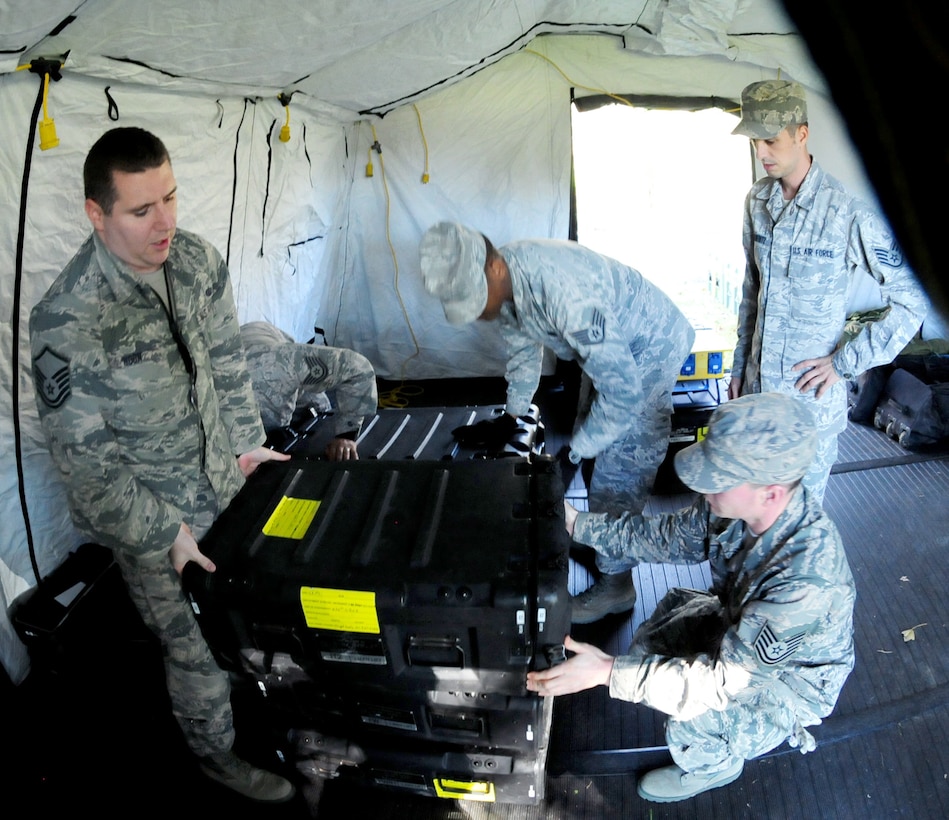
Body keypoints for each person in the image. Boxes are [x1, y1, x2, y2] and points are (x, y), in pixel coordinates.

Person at [29, 127, 295, 802]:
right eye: (142, 209)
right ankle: (216, 760)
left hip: (226, 486)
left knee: (249, 614)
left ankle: (260, 703)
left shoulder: (197, 263)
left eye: (170, 197)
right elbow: (86, 469)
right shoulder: (68, 318)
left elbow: (228, 365)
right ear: (97, 214)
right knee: (195, 651)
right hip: (153, 518)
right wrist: (165, 533)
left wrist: (245, 446)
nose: (165, 222)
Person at [526, 392, 855, 803]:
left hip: (789, 681)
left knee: (691, 716)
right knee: (651, 643)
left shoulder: (805, 582)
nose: (702, 484)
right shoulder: (734, 507)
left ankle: (714, 764)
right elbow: (662, 538)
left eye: (720, 476)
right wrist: (577, 525)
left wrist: (606, 672)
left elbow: (722, 684)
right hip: (740, 625)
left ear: (770, 493)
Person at [419, 222, 695, 623]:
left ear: (493, 268)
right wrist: (511, 417)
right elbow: (522, 350)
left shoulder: (564, 295)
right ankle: (601, 544)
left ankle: (616, 586)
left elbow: (623, 394)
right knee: (591, 427)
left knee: (618, 469)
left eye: (476, 299)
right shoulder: (509, 280)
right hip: (609, 349)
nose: (478, 311)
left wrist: (575, 453)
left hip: (648, 347)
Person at [728, 79, 928, 503]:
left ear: (801, 134)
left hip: (808, 414)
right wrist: (738, 368)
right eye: (754, 141)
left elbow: (913, 300)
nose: (760, 153)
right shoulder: (757, 202)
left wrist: (845, 363)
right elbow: (752, 292)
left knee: (797, 541)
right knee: (750, 525)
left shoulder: (845, 212)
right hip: (757, 403)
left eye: (770, 140)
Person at [239, 320, 378, 460]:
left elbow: (358, 369)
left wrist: (346, 434)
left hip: (266, 346)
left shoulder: (286, 365)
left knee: (318, 412)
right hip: (239, 352)